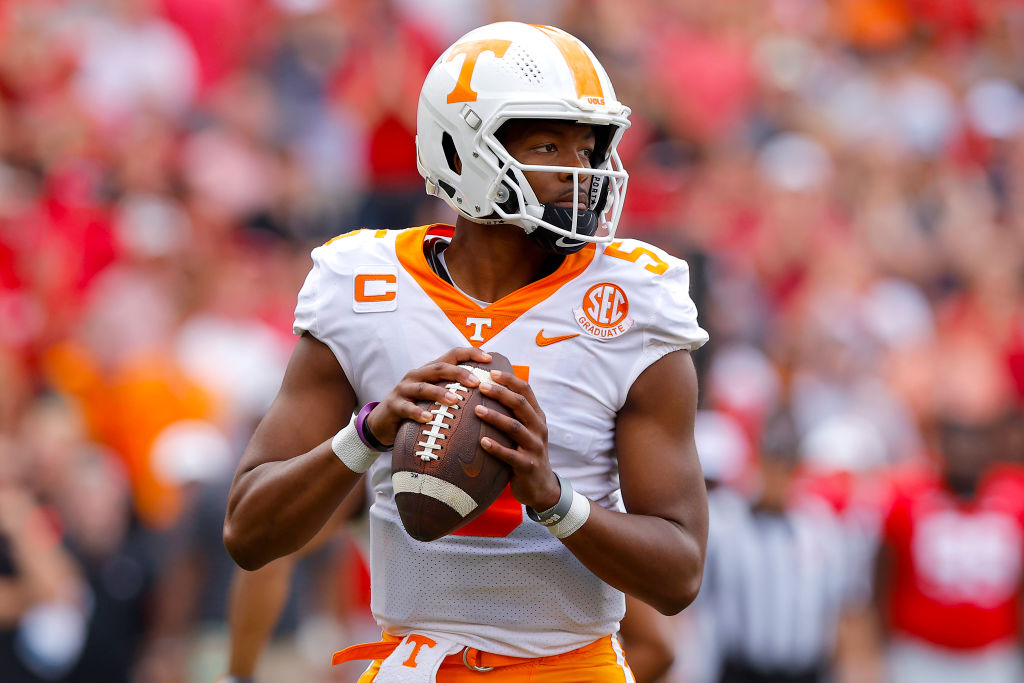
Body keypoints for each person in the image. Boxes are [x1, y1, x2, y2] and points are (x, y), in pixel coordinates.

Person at [223, 20, 709, 682]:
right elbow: (249, 532)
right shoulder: (361, 286)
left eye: (589, 148)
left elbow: (680, 571)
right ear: (462, 149)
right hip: (412, 662)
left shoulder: (631, 299)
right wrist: (368, 433)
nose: (582, 173)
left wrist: (553, 496)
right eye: (548, 144)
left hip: (567, 667)